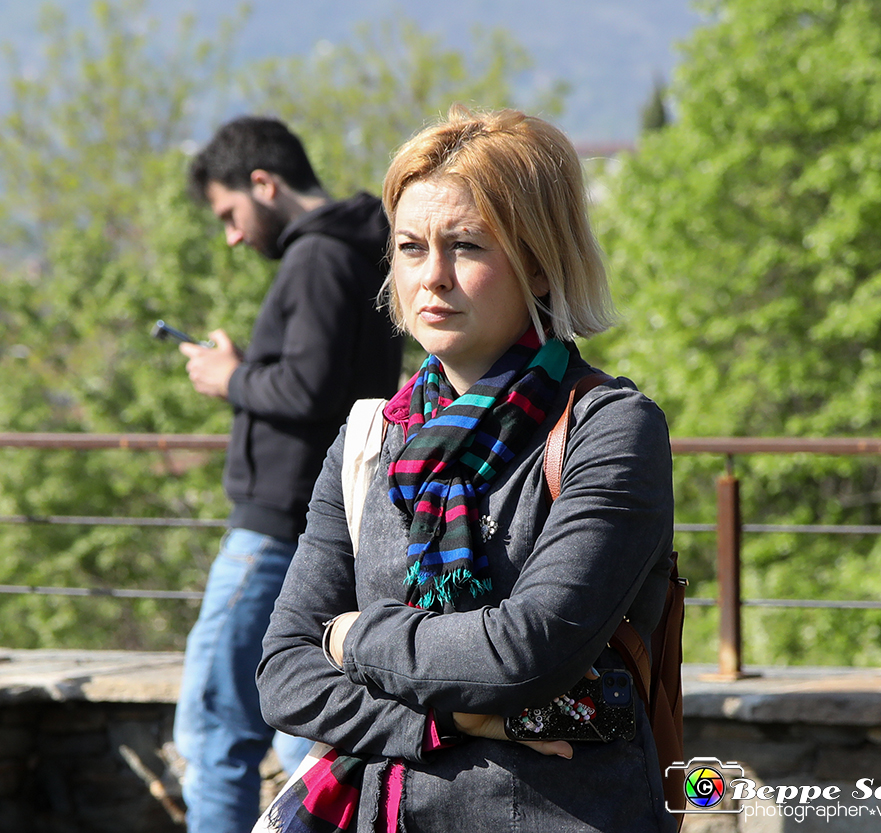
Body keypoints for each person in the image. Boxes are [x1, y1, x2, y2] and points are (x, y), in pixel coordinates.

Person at [257, 106, 677, 833]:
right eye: (412, 248)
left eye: (468, 246)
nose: (434, 277)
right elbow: (283, 673)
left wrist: (349, 638)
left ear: (541, 260)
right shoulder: (369, 438)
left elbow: (524, 651)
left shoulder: (610, 429)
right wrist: (445, 723)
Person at [173, 115, 404, 833]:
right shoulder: (360, 253)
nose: (233, 235)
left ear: (264, 183)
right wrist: (251, 369)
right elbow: (326, 383)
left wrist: (230, 376)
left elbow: (308, 392)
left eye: (230, 213)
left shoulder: (318, 259)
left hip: (275, 530)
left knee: (214, 730)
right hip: (322, 524)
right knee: (297, 726)